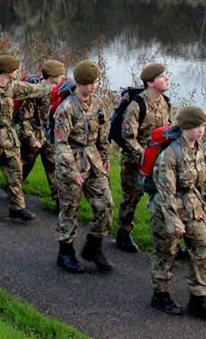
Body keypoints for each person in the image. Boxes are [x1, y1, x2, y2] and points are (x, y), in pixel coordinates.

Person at [150, 106, 206, 321]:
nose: (200, 130)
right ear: (185, 127)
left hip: (194, 207)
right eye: (196, 126)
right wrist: (174, 221)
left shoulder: (199, 149)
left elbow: (203, 183)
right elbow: (165, 193)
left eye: (203, 126)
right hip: (169, 209)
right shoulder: (169, 154)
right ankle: (160, 294)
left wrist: (204, 209)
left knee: (203, 250)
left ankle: (199, 298)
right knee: (165, 253)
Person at [0, 55, 52, 221]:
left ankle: (17, 207)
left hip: (8, 138)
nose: (18, 71)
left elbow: (34, 90)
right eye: (15, 69)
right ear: (7, 71)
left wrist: (57, 87)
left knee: (15, 173)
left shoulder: (13, 87)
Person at [54, 61, 114, 273]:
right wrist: (72, 172)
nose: (93, 87)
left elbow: (103, 135)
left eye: (96, 82)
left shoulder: (98, 104)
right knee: (70, 209)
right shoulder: (66, 108)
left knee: (106, 205)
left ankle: (93, 247)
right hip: (71, 160)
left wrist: (104, 157)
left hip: (94, 161)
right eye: (89, 83)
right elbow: (60, 144)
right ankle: (65, 252)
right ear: (79, 83)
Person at [116, 64, 171, 253]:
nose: (167, 79)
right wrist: (145, 157)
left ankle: (167, 242)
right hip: (135, 162)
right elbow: (128, 137)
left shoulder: (165, 102)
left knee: (164, 200)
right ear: (150, 82)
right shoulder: (137, 105)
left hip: (159, 162)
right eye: (163, 77)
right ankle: (123, 234)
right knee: (131, 199)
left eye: (166, 76)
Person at [17, 60, 66, 201]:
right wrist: (31, 139)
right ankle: (14, 194)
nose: (62, 78)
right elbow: (24, 118)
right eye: (60, 76)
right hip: (34, 135)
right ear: (52, 76)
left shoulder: (59, 92)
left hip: (50, 137)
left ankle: (60, 203)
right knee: (23, 167)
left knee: (54, 169)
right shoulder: (35, 92)